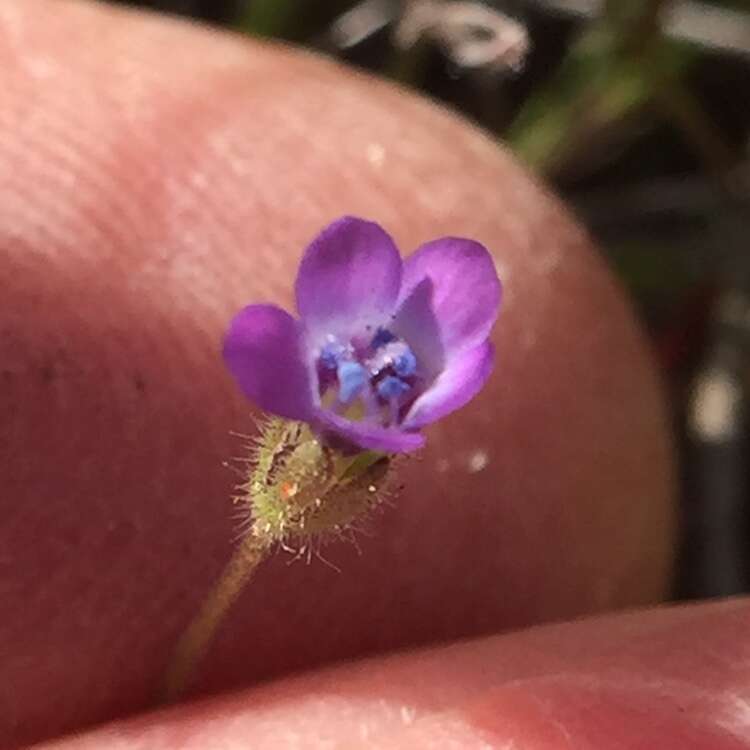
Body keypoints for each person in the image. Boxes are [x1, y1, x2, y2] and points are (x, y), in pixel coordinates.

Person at [3, 1, 745, 747]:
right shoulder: (289, 358)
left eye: (391, 379)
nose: (369, 373)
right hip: (316, 444)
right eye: (352, 372)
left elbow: (458, 343)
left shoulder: (427, 374)